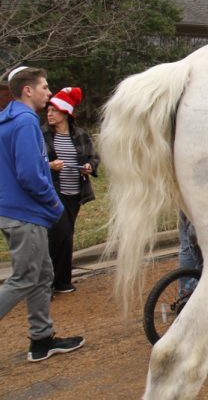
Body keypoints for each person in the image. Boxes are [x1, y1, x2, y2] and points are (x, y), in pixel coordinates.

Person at [0, 67, 85, 362]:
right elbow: (30, 175)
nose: (49, 93)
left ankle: (41, 339)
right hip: (27, 213)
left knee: (42, 275)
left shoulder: (8, 118)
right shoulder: (25, 122)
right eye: (45, 87)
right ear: (28, 90)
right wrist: (53, 204)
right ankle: (41, 338)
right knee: (24, 278)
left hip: (16, 211)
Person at [41, 87, 99, 294]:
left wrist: (90, 167)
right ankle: (47, 284)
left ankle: (62, 280)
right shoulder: (42, 135)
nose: (49, 114)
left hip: (76, 192)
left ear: (65, 112)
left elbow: (93, 157)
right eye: (48, 110)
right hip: (53, 192)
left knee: (66, 235)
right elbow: (33, 162)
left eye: (54, 110)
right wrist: (50, 166)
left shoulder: (80, 135)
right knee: (60, 233)